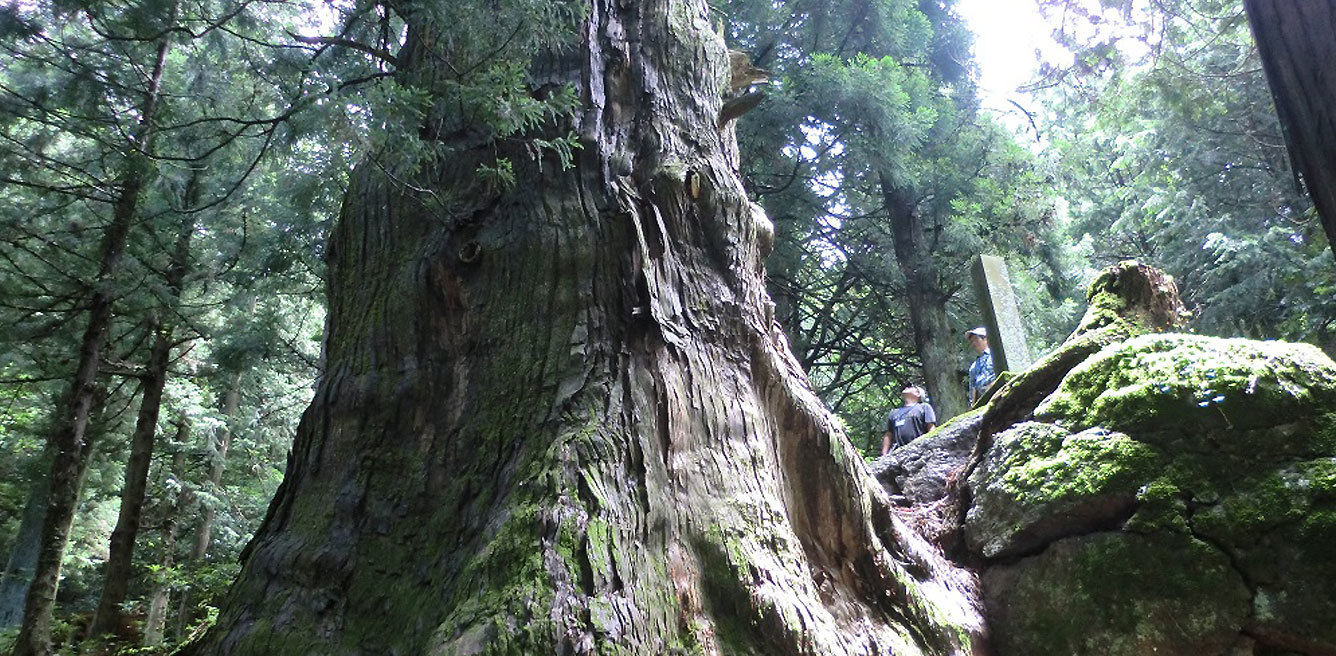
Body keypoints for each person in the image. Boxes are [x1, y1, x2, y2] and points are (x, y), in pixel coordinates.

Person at [881, 386, 937, 455]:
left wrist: (931, 447)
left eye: (911, 387)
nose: (907, 387)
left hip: (919, 450)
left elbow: (931, 428)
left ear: (918, 394)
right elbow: (888, 435)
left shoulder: (924, 407)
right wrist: (884, 455)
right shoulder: (894, 412)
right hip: (898, 453)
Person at [967, 326, 996, 405]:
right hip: (982, 401)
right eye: (972, 341)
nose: (974, 343)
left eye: (976, 339)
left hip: (998, 393)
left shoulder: (996, 356)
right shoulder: (974, 366)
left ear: (986, 339)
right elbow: (973, 389)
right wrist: (972, 406)